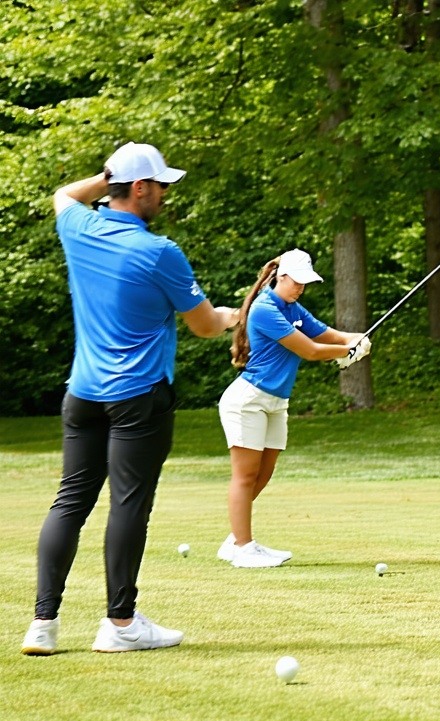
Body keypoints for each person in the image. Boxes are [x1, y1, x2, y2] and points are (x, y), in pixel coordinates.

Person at [22, 142, 240, 656]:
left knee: (70, 501)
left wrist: (106, 178)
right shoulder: (160, 252)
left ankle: (42, 625)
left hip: (82, 395)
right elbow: (205, 325)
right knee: (128, 505)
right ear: (139, 188)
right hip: (138, 398)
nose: (165, 194)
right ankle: (120, 624)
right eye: (160, 185)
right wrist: (232, 317)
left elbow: (62, 194)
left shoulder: (78, 229)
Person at [216, 249, 370, 568]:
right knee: (245, 476)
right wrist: (346, 350)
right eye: (296, 281)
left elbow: (326, 334)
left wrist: (357, 339)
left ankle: (235, 540)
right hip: (249, 400)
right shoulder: (264, 309)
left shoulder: (294, 308)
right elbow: (311, 350)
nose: (300, 287)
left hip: (275, 401)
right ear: (280, 277)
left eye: (305, 282)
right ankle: (243, 547)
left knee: (265, 472)